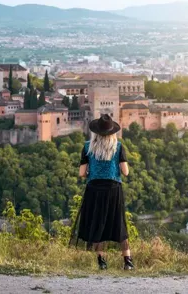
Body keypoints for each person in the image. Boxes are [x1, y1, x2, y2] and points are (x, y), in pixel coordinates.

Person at [74, 114, 134, 270]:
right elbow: (126, 172)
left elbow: (81, 173)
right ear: (112, 132)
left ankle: (101, 261)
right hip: (113, 189)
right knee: (119, 223)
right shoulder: (118, 147)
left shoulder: (87, 147)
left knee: (98, 223)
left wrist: (93, 172)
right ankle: (127, 261)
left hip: (94, 189)